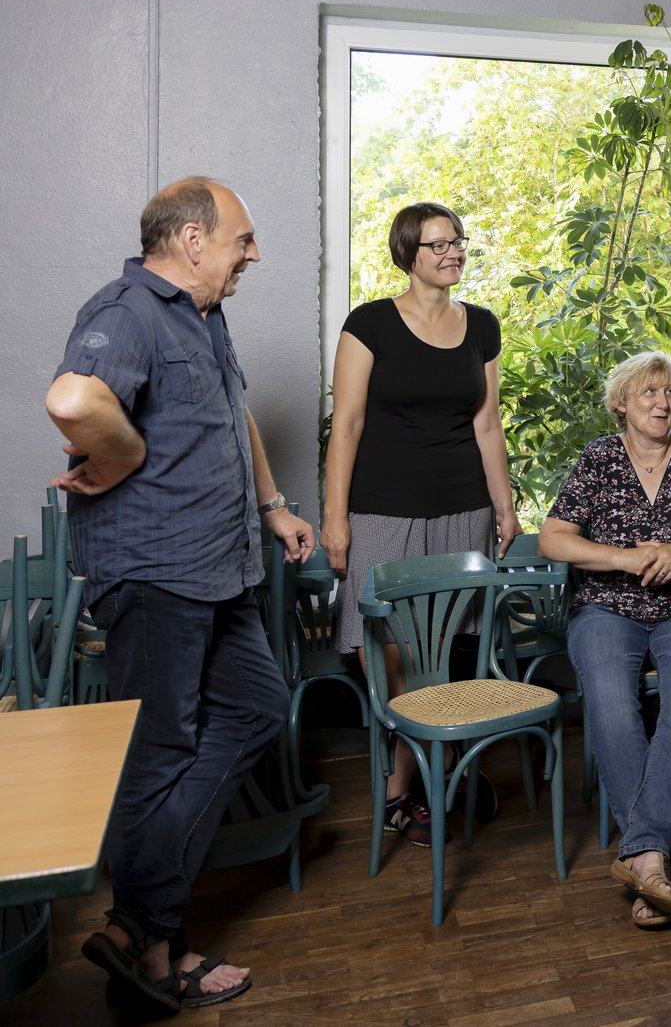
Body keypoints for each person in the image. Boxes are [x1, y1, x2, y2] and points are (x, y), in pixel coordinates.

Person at [45, 177, 315, 1013]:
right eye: (242, 238)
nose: (254, 253)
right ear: (193, 239)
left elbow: (232, 414)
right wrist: (121, 455)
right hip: (157, 573)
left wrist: (271, 506)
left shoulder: (200, 314)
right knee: (161, 752)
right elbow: (73, 398)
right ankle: (155, 946)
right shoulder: (127, 308)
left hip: (220, 565)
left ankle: (137, 925)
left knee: (256, 710)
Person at [321, 202, 521, 847]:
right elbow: (345, 426)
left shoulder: (482, 327)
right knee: (381, 646)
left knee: (442, 646)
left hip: (461, 507)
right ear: (408, 253)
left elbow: (486, 424)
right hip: (381, 506)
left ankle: (404, 788)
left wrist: (505, 504)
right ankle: (423, 767)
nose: (453, 253)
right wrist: (334, 518)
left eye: (458, 242)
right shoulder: (370, 324)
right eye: (438, 244)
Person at [541, 351, 671, 929]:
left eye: (670, 392)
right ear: (621, 405)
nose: (662, 403)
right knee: (611, 704)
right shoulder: (599, 460)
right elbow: (553, 538)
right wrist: (620, 559)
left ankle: (643, 856)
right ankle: (655, 858)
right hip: (606, 607)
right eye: (648, 394)